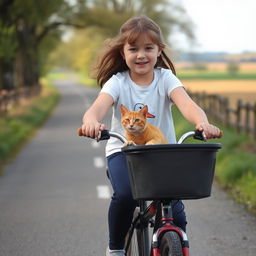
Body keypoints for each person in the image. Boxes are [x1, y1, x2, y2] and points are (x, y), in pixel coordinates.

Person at [81, 15, 222, 256]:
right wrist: (91, 122)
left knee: (174, 212)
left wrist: (202, 122)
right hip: (124, 151)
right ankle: (115, 248)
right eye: (133, 49)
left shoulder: (165, 79)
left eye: (148, 48)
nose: (141, 55)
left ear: (159, 51)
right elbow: (97, 108)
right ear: (123, 52)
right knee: (125, 195)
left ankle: (172, 242)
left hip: (161, 153)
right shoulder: (118, 82)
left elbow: (187, 104)